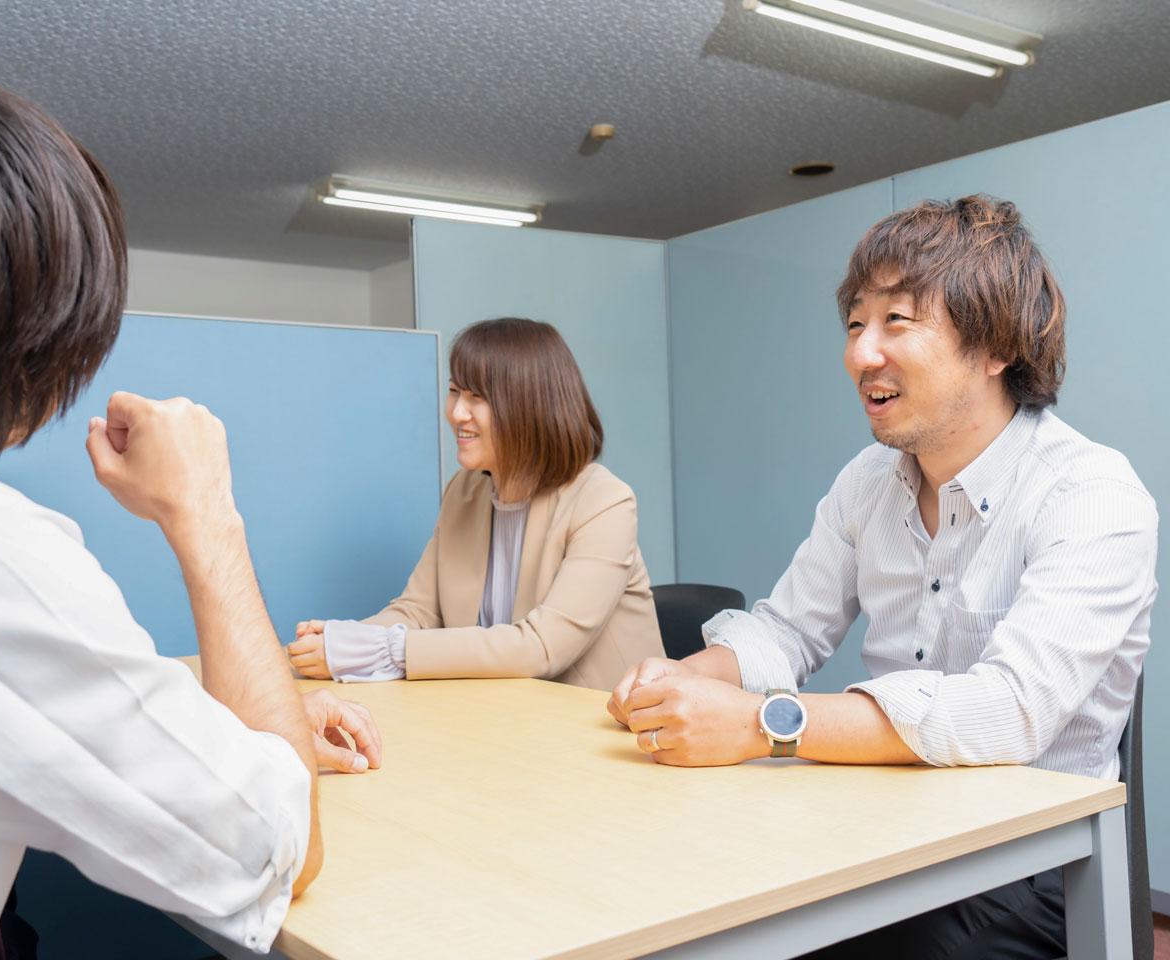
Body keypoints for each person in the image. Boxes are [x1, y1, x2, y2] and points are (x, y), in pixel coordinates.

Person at [0, 77, 381, 960]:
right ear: (51, 337)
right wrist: (207, 512)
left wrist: (217, 721)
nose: (460, 411)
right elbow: (275, 843)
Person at [608, 195, 1156, 958]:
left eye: (897, 322)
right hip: (883, 820)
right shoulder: (868, 482)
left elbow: (1011, 710)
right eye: (856, 323)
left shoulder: (1093, 494)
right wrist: (680, 683)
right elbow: (787, 629)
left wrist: (762, 724)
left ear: (998, 346)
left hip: (1033, 866)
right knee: (680, 894)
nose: (861, 354)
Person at [289, 317, 663, 690]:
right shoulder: (464, 493)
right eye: (455, 391)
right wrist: (344, 641)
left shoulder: (604, 502)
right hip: (506, 717)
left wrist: (384, 651)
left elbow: (542, 647)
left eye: (477, 397)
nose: (456, 413)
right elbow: (418, 610)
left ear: (529, 405)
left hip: (604, 731)